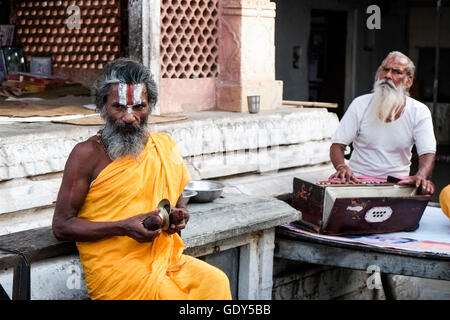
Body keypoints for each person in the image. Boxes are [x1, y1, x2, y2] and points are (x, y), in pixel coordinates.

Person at [52, 58, 232, 300]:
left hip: (166, 260)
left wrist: (178, 218)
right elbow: (62, 226)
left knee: (216, 281)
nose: (129, 117)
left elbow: (176, 206)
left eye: (139, 107)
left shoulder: (164, 147)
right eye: (119, 107)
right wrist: (122, 227)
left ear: (150, 106)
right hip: (118, 271)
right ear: (103, 106)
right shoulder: (86, 154)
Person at [329, 51, 436, 195]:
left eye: (396, 72)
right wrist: (342, 167)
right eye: (385, 69)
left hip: (397, 183)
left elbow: (427, 153)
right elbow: (338, 145)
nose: (387, 76)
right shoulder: (360, 104)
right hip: (356, 179)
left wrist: (421, 176)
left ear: (408, 81)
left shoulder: (419, 111)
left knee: (426, 189)